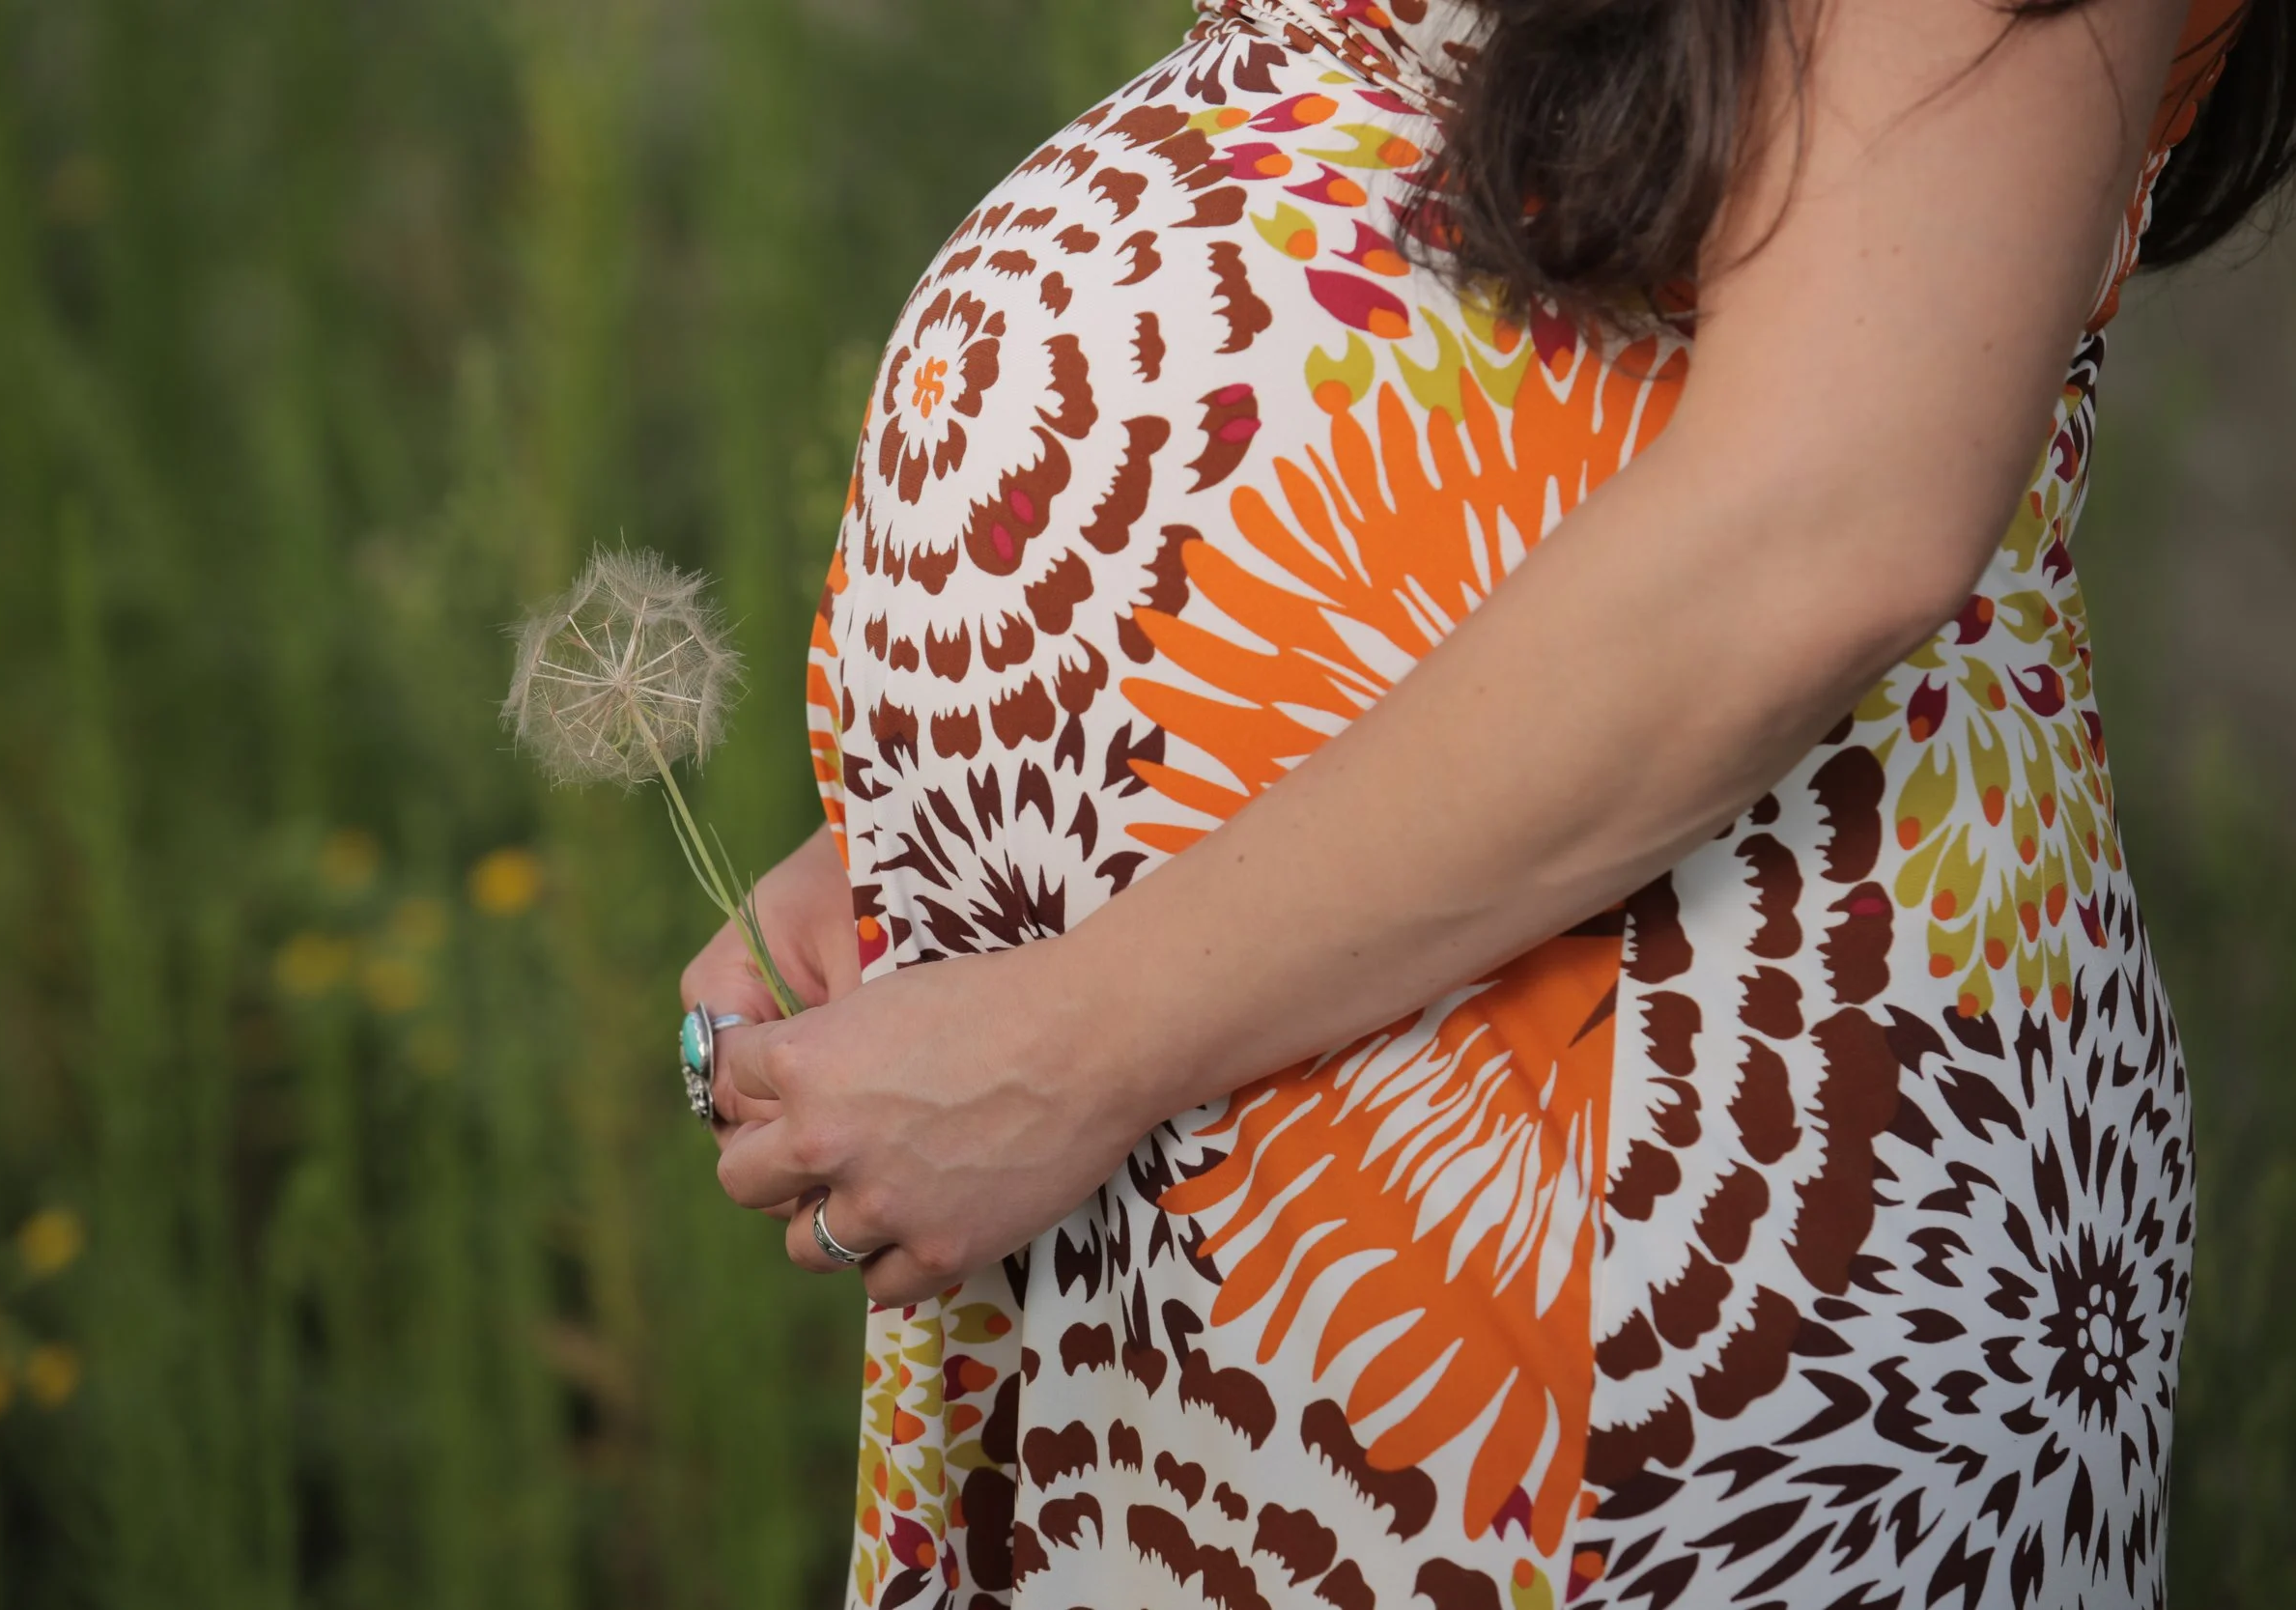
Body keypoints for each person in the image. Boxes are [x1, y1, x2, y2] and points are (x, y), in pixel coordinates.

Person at [679, 0, 2293, 1602]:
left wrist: (1069, 1041)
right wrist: (992, 805)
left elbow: (1829, 523)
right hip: (1223, 1085)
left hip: (1654, 1181)